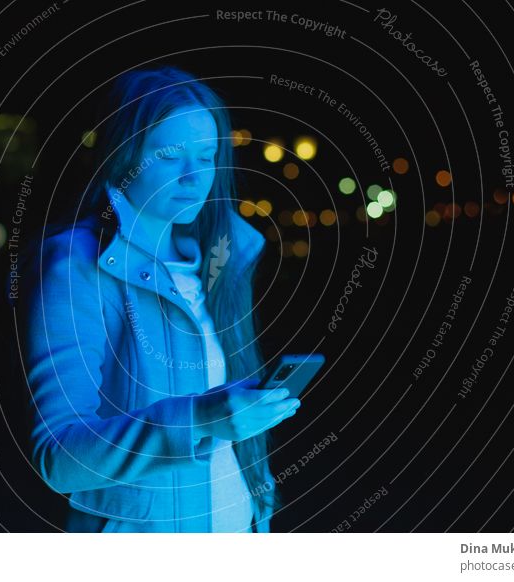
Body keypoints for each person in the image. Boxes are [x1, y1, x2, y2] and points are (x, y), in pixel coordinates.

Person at [17, 66, 301, 533]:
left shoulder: (217, 263)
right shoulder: (76, 268)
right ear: (124, 156)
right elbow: (59, 456)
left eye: (207, 156)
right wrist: (202, 417)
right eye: (170, 155)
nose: (195, 177)